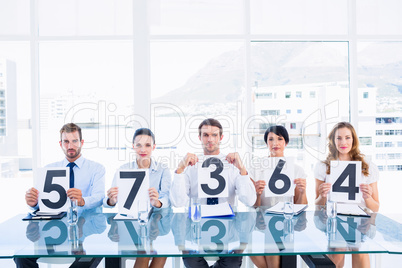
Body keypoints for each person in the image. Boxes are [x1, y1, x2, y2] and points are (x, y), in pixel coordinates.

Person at [170, 118, 256, 268]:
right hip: (196, 228)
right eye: (205, 135)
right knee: (190, 258)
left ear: (221, 137)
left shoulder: (232, 164)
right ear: (199, 138)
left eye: (214, 135)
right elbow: (178, 202)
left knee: (233, 261)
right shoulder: (191, 165)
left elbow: (249, 200)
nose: (210, 139)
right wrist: (179, 170)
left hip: (227, 227)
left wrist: (242, 169)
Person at [17, 123, 106, 268]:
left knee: (95, 253)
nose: (70, 145)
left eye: (74, 141)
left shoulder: (96, 169)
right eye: (66, 141)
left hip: (85, 230)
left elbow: (100, 198)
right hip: (52, 229)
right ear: (61, 144)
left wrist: (83, 201)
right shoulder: (49, 169)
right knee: (21, 256)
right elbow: (41, 205)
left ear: (81, 143)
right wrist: (33, 203)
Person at [314, 122, 380, 268]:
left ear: (353, 140)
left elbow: (376, 207)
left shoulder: (367, 165)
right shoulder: (323, 166)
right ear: (332, 140)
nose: (343, 142)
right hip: (333, 219)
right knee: (338, 248)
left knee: (359, 248)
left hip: (361, 220)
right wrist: (323, 195)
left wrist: (367, 196)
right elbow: (318, 203)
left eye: (347, 137)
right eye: (339, 138)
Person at [104, 128, 171, 268]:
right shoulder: (124, 169)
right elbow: (109, 202)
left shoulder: (162, 169)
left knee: (163, 249)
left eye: (147, 145)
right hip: (129, 223)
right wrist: (111, 200)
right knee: (147, 250)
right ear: (133, 146)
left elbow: (167, 199)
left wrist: (157, 202)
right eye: (138, 145)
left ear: (154, 147)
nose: (143, 149)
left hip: (155, 221)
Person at [250, 125, 307, 268]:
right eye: (271, 139)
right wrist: (257, 193)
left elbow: (301, 205)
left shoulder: (296, 169)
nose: (275, 143)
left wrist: (303, 191)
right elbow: (254, 205)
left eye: (279, 139)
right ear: (266, 143)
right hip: (263, 221)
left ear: (286, 143)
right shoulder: (256, 169)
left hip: (287, 222)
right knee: (251, 248)